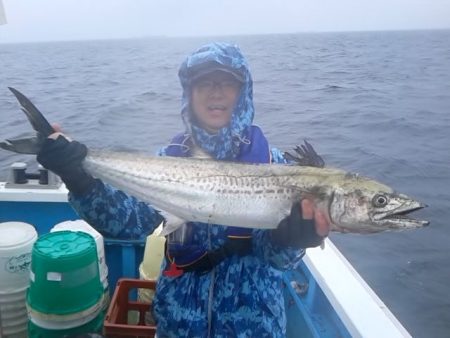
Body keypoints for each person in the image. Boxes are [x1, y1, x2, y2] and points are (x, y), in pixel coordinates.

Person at [37, 42, 330, 337]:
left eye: (227, 82)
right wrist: (79, 179)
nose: (216, 92)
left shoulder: (274, 166)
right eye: (204, 83)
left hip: (253, 325)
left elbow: (276, 259)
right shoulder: (169, 159)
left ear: (243, 93)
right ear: (188, 94)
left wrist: (291, 241)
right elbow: (127, 224)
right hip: (179, 321)